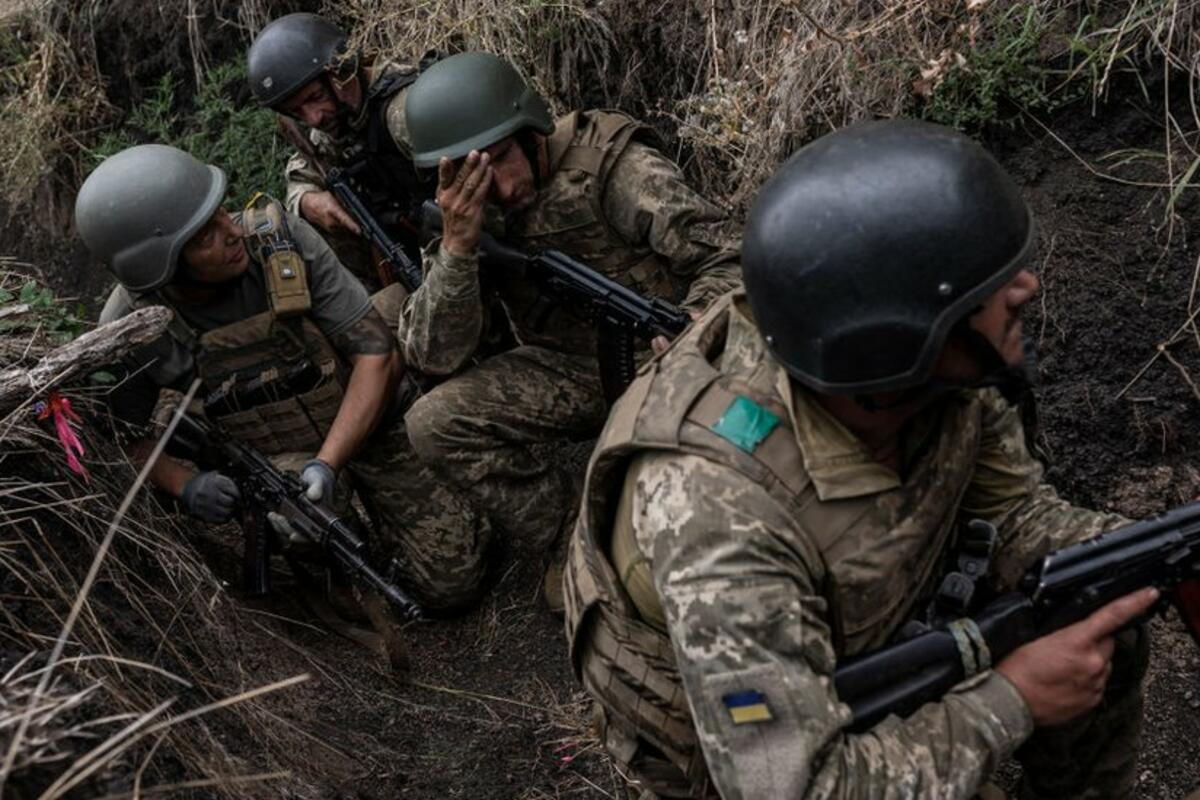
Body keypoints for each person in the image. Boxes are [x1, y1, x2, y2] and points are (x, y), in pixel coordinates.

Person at [563, 120, 1153, 799]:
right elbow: (792, 785)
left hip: (864, 632)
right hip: (748, 741)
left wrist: (1145, 555)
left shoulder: (934, 377)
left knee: (1100, 614)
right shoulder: (718, 516)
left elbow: (1016, 516)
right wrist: (1012, 701)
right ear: (892, 341)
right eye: (984, 286)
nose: (1027, 286)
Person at [78, 144, 491, 639]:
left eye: (221, 212)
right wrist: (185, 484)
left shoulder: (280, 244)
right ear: (162, 266)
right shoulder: (130, 328)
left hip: (366, 426)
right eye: (206, 235)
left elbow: (377, 355)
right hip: (278, 460)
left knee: (454, 584)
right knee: (297, 525)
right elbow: (119, 435)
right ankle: (329, 563)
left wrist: (328, 464)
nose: (233, 231)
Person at [398, 52, 742, 593]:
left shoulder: (612, 169)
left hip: (669, 356)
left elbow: (730, 258)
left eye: (502, 159)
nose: (501, 188)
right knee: (432, 423)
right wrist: (458, 248)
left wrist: (697, 324)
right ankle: (570, 535)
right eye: (476, 174)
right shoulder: (464, 215)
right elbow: (432, 354)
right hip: (567, 369)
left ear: (530, 128)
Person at [247, 12, 429, 292]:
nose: (313, 118)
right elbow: (301, 172)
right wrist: (307, 201)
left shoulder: (404, 111)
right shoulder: (337, 121)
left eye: (315, 97)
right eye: (297, 112)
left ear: (342, 72)